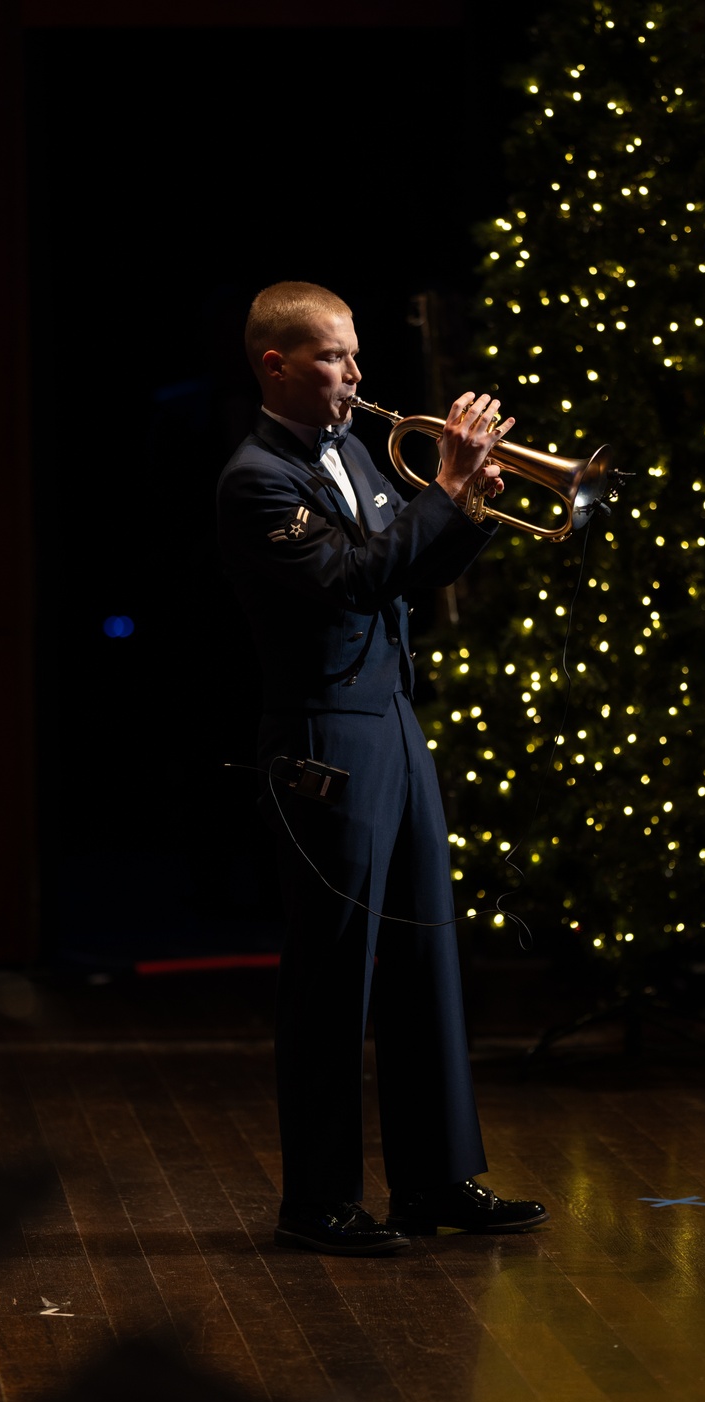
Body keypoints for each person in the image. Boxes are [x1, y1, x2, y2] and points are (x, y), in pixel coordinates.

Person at [216, 282, 548, 1255]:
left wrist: (472, 506)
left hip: (391, 722)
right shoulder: (255, 479)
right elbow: (352, 579)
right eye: (330, 358)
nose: (356, 377)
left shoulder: (354, 450)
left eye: (355, 355)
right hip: (325, 741)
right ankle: (316, 1201)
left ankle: (435, 1181)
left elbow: (405, 569)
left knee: (423, 961)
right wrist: (442, 494)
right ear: (273, 364)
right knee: (333, 977)